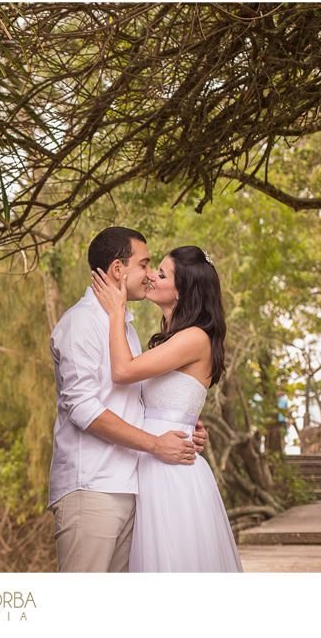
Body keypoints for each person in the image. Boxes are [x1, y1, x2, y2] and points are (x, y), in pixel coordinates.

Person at [48, 227, 209, 573]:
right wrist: (155, 443)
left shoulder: (127, 328)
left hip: (133, 485)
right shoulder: (81, 322)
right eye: (146, 264)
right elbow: (82, 407)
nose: (150, 275)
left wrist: (183, 423)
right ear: (119, 270)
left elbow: (135, 397)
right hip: (92, 486)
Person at [90, 245, 243, 572]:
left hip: (171, 472)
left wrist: (116, 312)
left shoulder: (194, 338)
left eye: (161, 274)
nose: (150, 277)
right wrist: (193, 425)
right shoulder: (171, 339)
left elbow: (123, 372)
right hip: (153, 462)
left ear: (182, 291)